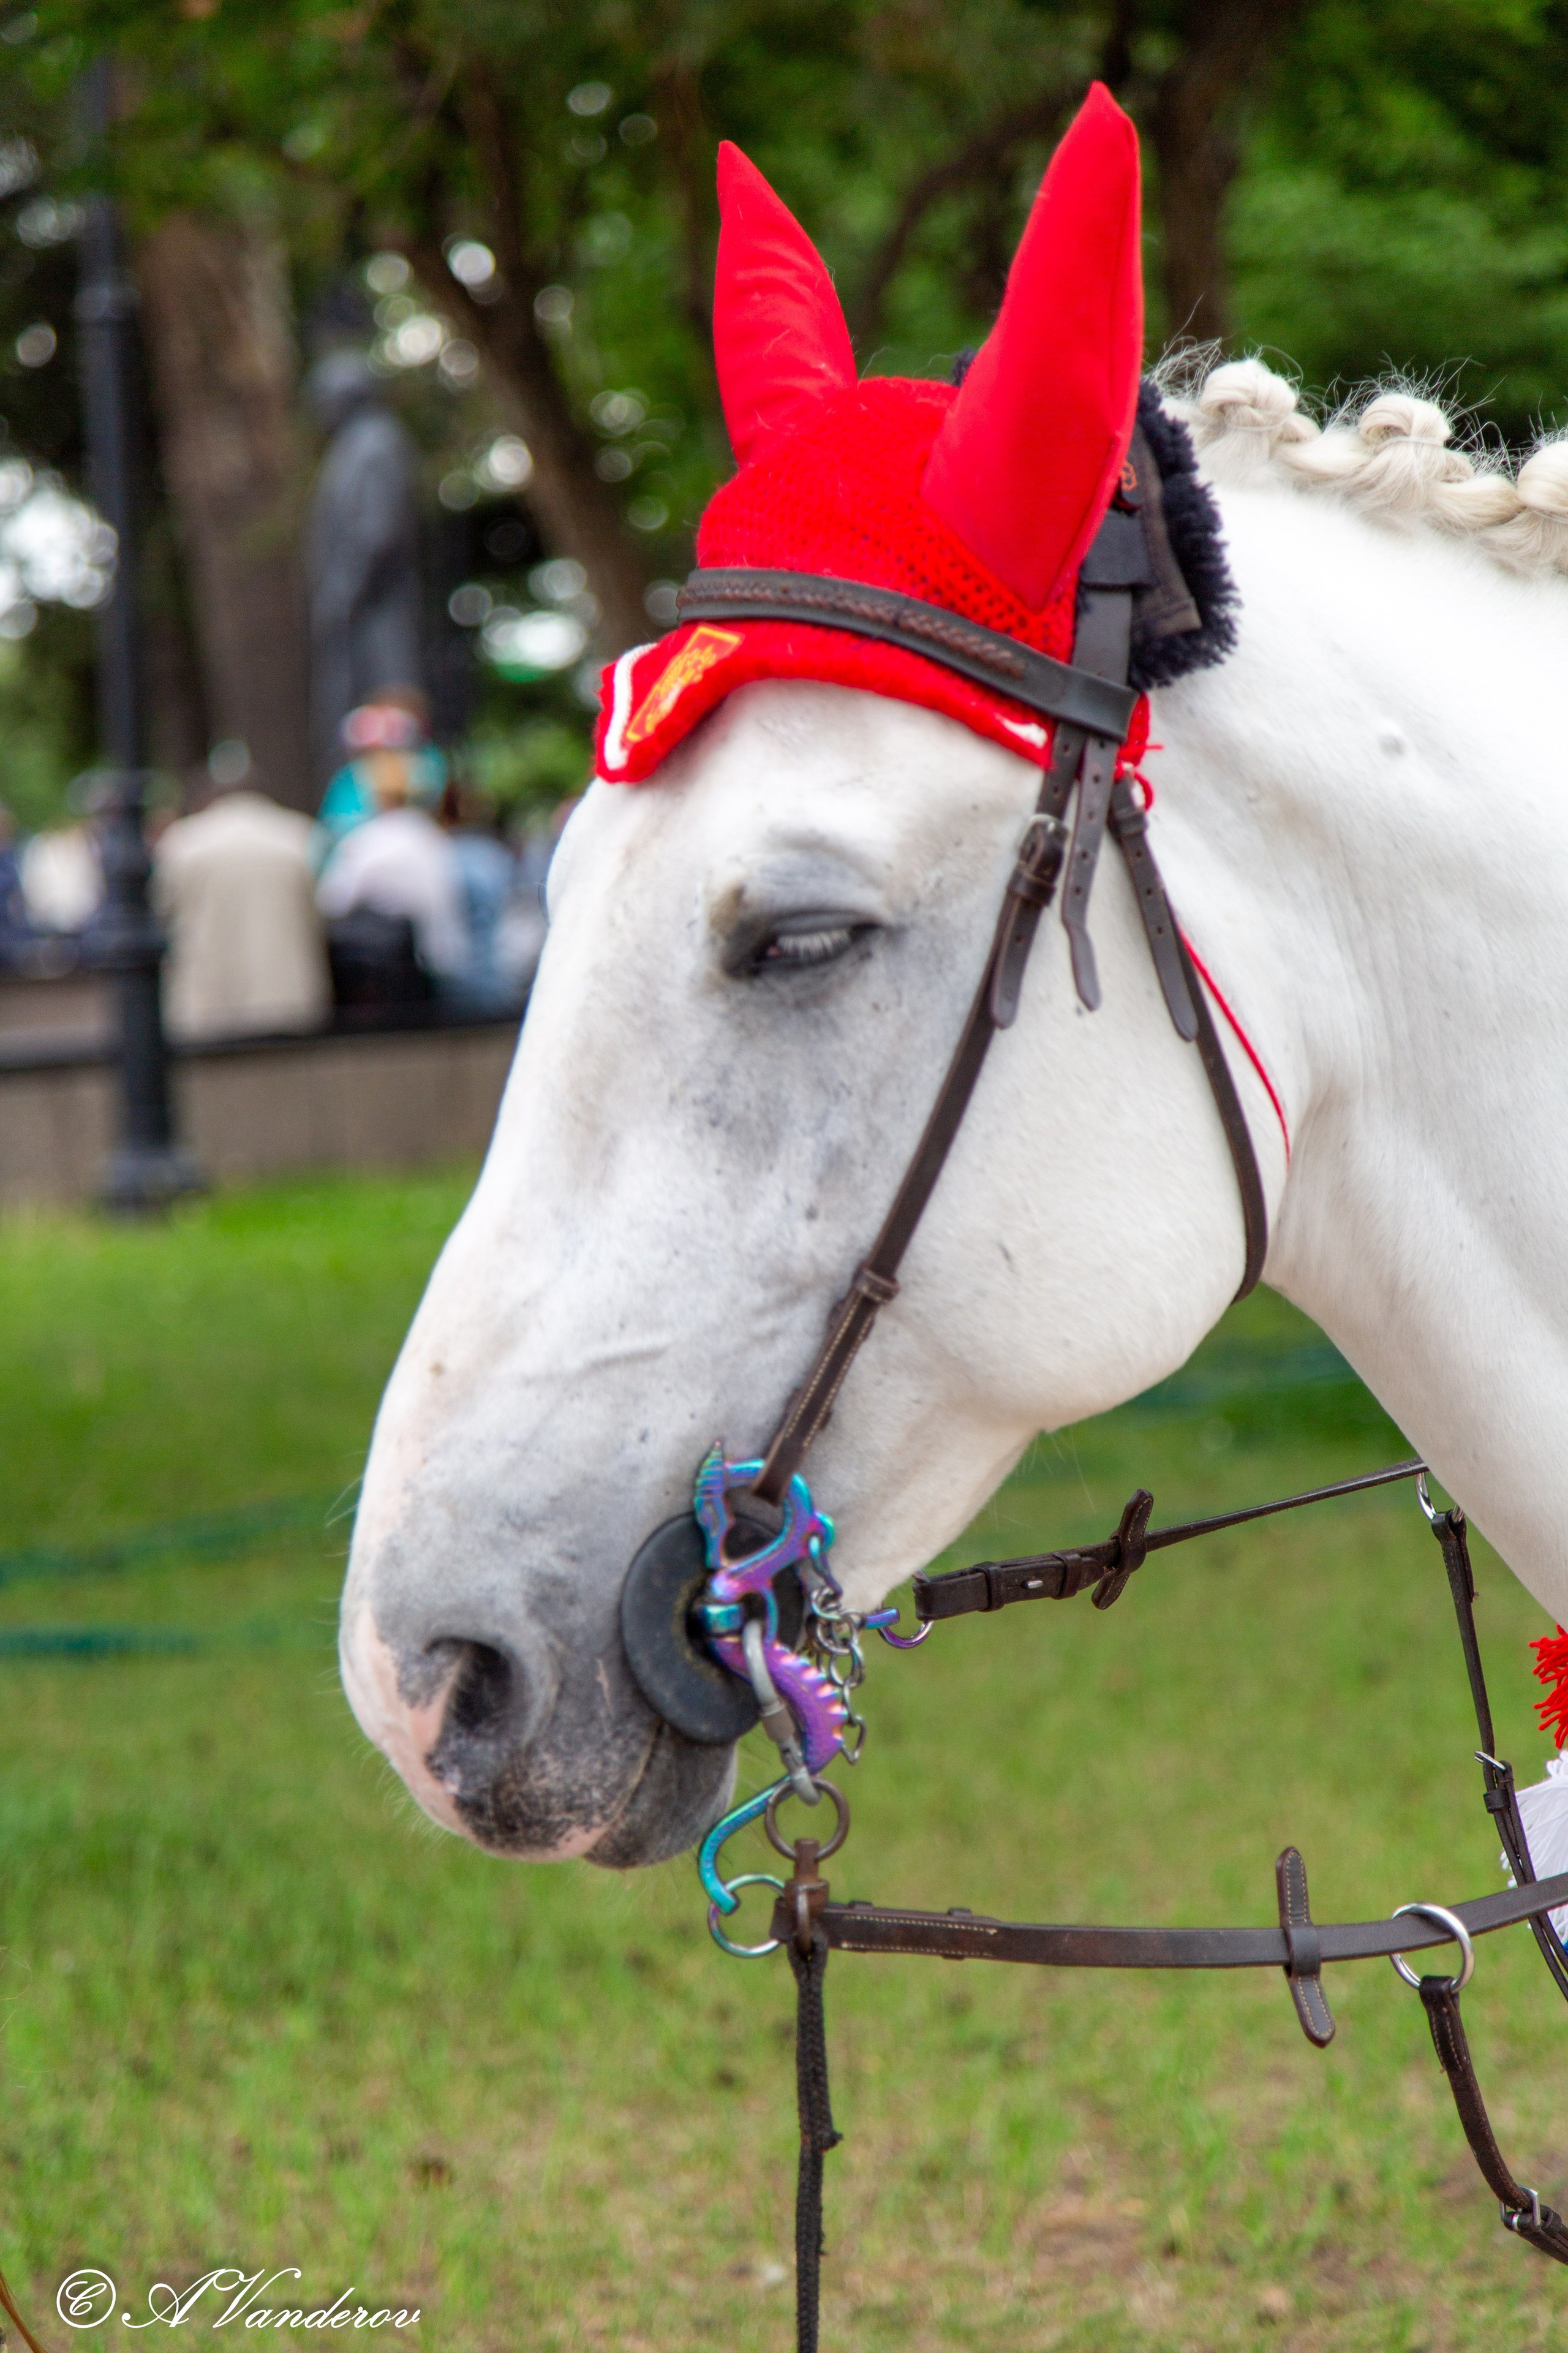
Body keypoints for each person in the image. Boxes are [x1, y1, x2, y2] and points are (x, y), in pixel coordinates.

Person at [153, 745, 331, 1040]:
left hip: (206, 1002)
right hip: (289, 997)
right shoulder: (302, 835)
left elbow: (161, 915)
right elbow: (322, 912)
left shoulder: (182, 842)